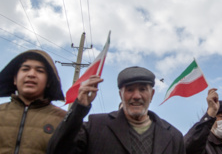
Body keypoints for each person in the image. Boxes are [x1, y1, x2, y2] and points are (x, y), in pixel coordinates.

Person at [47, 66, 185, 154]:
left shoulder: (173, 137)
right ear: (121, 95)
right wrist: (79, 109)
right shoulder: (95, 126)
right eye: (130, 90)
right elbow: (57, 150)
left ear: (152, 95)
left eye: (143, 89)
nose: (136, 96)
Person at [0, 49, 66, 154]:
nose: (31, 74)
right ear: (14, 79)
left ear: (48, 82)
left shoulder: (63, 119)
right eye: (25, 69)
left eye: (40, 71)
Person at [184, 88, 222, 154]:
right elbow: (187, 147)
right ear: (212, 119)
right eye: (221, 116)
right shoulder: (202, 146)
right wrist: (211, 111)